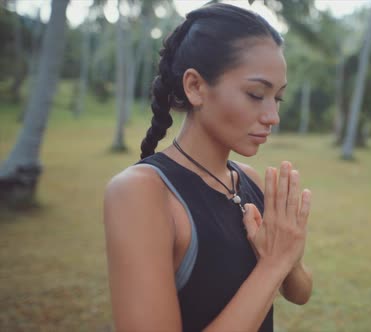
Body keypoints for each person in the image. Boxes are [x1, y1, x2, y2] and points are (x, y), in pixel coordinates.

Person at [102, 3, 313, 331]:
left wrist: (290, 256)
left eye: (278, 98)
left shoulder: (248, 179)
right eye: (256, 94)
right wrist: (273, 265)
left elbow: (300, 293)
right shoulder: (141, 192)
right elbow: (274, 270)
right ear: (196, 87)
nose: (273, 116)